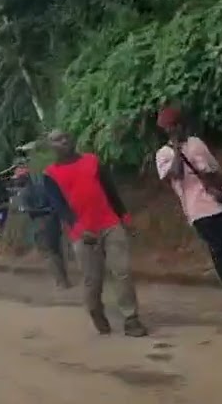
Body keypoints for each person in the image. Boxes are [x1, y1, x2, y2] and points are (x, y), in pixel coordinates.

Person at [41, 130, 147, 337]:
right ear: (51, 146)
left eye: (65, 137)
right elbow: (60, 207)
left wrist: (124, 216)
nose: (63, 142)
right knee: (93, 279)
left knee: (122, 270)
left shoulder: (92, 161)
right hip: (82, 232)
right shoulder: (50, 174)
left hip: (109, 223)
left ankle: (131, 318)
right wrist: (80, 230)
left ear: (72, 139)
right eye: (56, 140)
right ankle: (95, 311)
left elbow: (110, 190)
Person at [155, 107, 222, 312]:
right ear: (166, 130)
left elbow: (215, 172)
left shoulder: (197, 143)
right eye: (171, 127)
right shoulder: (163, 155)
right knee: (218, 249)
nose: (176, 129)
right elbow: (176, 175)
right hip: (197, 209)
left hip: (219, 201)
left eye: (178, 125)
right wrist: (176, 149)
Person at [23, 168, 71, 289]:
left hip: (40, 221)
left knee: (48, 252)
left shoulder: (25, 193)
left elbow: (28, 210)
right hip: (53, 219)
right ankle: (65, 279)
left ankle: (61, 282)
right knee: (58, 249)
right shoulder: (44, 187)